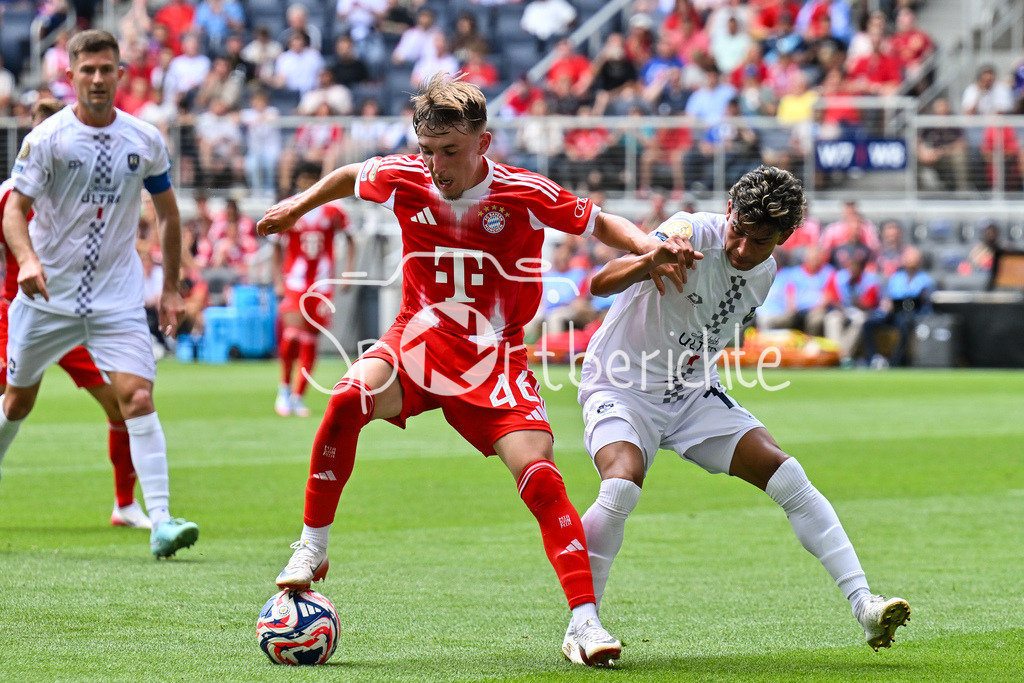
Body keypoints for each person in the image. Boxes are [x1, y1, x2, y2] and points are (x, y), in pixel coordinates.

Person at [256, 73, 674, 667]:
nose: (434, 166)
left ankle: (584, 622)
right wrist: (298, 207)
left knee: (541, 476)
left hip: (494, 358)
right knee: (346, 398)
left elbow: (600, 222)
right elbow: (351, 176)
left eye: (449, 151)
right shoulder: (404, 175)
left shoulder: (523, 191)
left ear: (483, 141)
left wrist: (648, 246)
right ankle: (312, 546)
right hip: (417, 342)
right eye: (427, 150)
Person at [566, 166, 910, 662]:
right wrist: (651, 260)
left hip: (690, 393)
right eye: (739, 232)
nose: (743, 249)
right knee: (622, 481)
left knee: (787, 474)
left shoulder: (765, 273)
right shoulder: (687, 231)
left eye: (761, 241)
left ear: (785, 237)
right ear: (728, 212)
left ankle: (865, 606)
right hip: (621, 384)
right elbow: (600, 282)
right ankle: (582, 623)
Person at [0, 30, 199, 558]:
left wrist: (173, 290)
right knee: (17, 402)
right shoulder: (46, 140)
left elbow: (169, 212)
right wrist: (26, 261)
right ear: (70, 76)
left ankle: (160, 519)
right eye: (86, 70)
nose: (96, 79)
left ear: (120, 74)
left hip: (116, 302)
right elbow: (14, 211)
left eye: (105, 69)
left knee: (135, 396)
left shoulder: (144, 139)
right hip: (47, 299)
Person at [0, 98, 149, 530]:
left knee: (121, 406)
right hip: (21, 317)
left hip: (80, 318)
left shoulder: (89, 193)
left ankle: (125, 505)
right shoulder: (12, 195)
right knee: (14, 405)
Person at [272, 163, 356, 418]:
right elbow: (276, 244)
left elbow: (350, 240)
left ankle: (298, 396)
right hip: (296, 282)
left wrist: (348, 272)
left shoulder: (333, 209)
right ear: (298, 181)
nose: (308, 184)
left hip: (322, 284)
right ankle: (284, 388)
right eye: (304, 179)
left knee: (310, 340)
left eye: (312, 179)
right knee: (292, 336)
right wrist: (277, 279)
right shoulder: (288, 207)